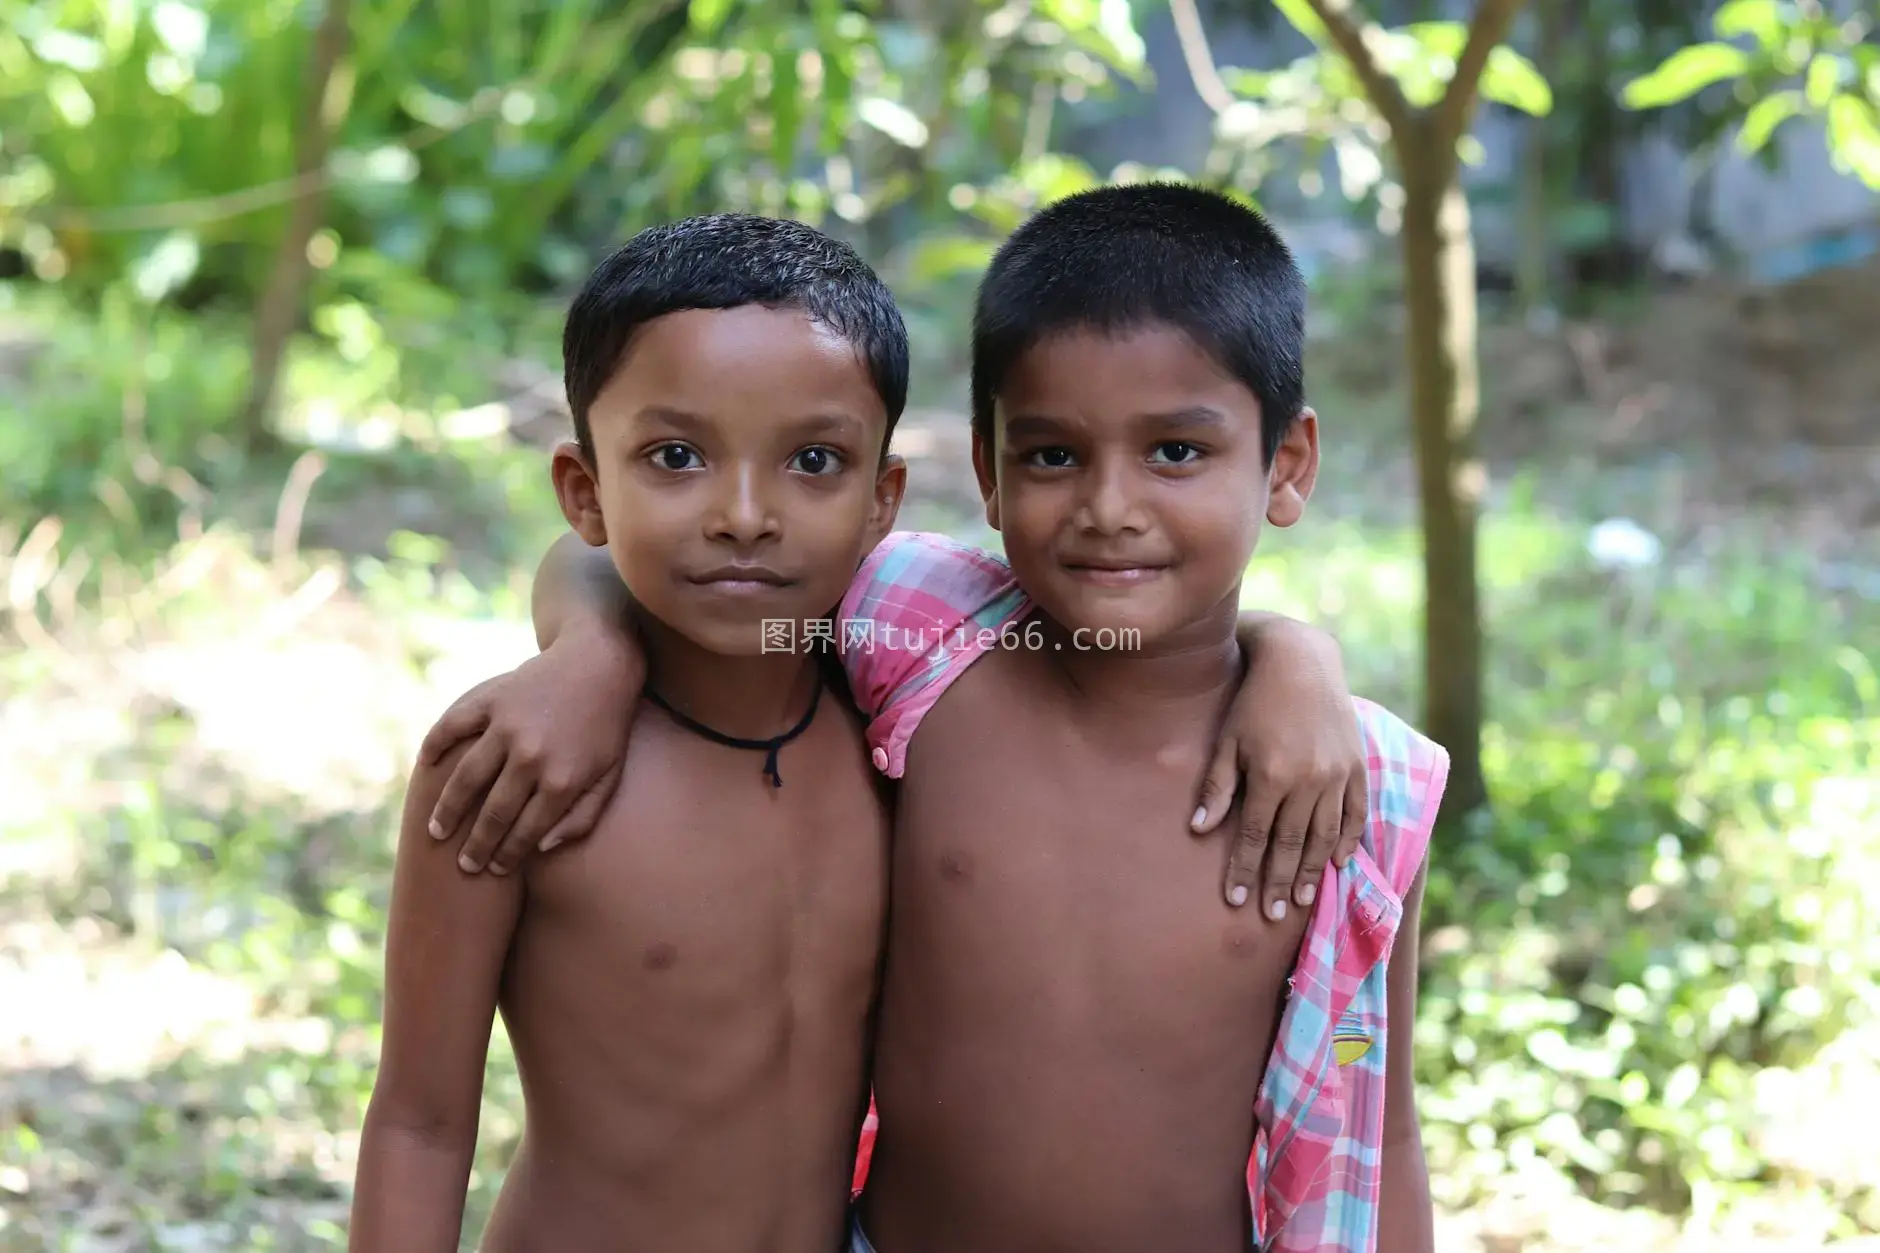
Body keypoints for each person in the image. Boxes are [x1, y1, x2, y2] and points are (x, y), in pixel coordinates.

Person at [417, 184, 1444, 1253]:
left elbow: (1388, 1130)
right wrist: (589, 653)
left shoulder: (1348, 787)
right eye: (1051, 454)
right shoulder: (922, 640)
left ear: (1286, 464)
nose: (1109, 506)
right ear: (990, 475)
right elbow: (620, 558)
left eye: (1175, 451)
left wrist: (1296, 658)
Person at [348, 214, 913, 1253]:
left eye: (814, 459)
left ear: (882, 500)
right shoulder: (513, 763)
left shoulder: (901, 715)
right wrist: (587, 653)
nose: (744, 513)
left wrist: (1287, 657)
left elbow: (1130, 640)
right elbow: (420, 1123)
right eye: (676, 455)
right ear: (584, 489)